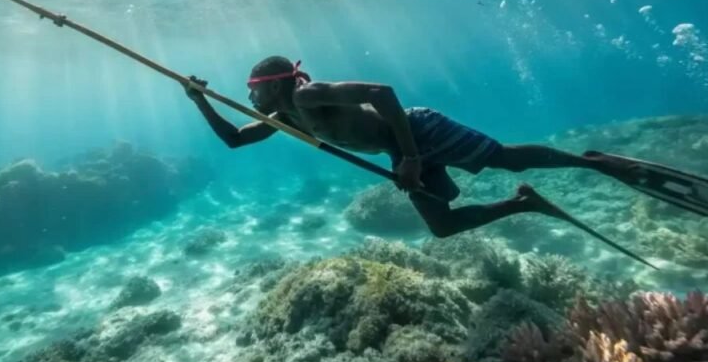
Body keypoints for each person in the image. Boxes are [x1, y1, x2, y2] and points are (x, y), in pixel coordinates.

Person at [183, 56, 647, 238]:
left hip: (415, 132)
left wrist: (411, 156)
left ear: (274, 83)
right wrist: (199, 99)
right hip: (400, 153)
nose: (248, 98)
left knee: (502, 158)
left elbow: (382, 94)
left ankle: (594, 163)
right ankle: (524, 203)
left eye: (251, 88)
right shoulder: (284, 116)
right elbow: (234, 141)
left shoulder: (307, 94)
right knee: (442, 224)